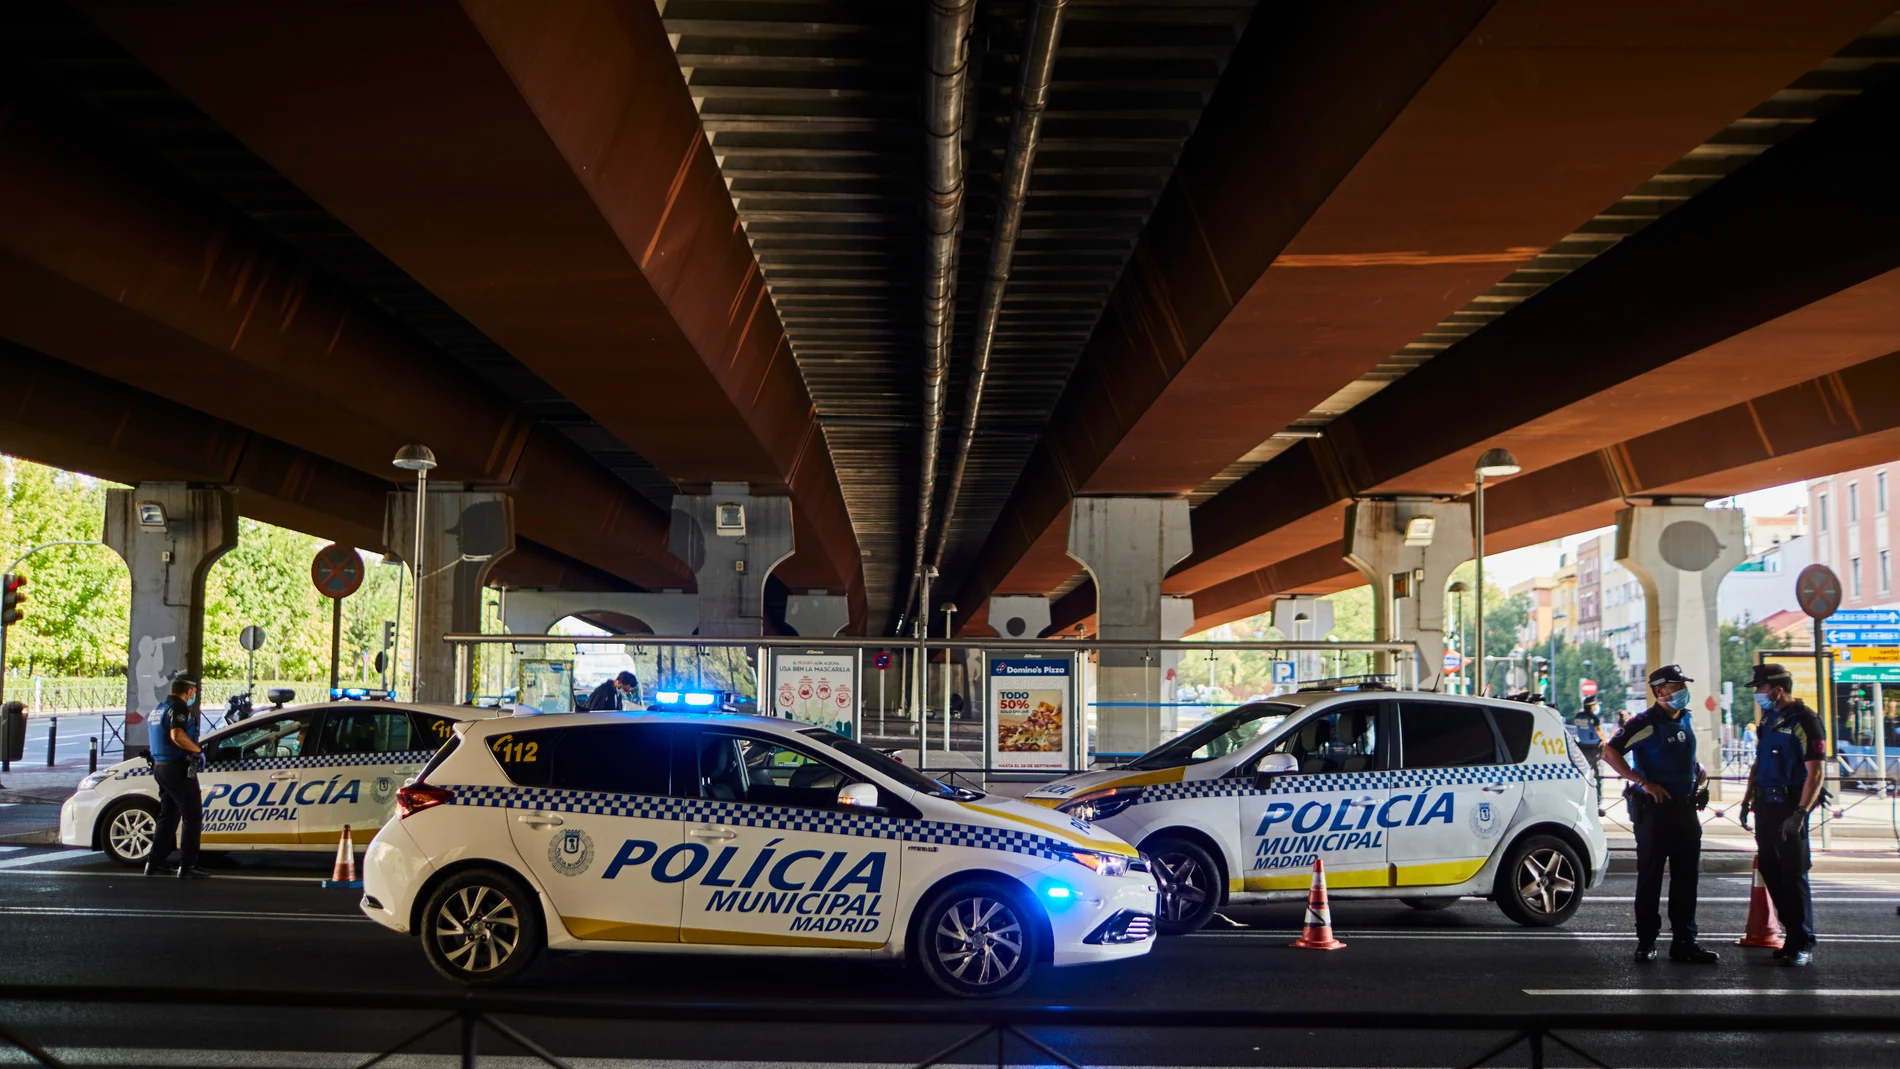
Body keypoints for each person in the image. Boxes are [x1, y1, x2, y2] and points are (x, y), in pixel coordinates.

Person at [1601, 664, 1718, 964]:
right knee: (1651, 877)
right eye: (1675, 686)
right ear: (1659, 691)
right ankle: (1647, 941)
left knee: (1686, 878)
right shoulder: (1645, 722)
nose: (1681, 690)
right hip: (1654, 813)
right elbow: (1610, 752)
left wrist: (1696, 771)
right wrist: (1641, 781)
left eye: (1682, 685)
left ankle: (1684, 941)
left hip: (1685, 809)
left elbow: (1682, 754)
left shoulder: (1686, 719)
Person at [1744, 663, 1825, 967]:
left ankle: (1802, 942)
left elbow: (1816, 773)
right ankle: (1791, 935)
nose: (1757, 693)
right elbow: (1759, 761)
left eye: (1760, 688)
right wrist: (1747, 798)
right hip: (1766, 805)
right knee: (1770, 869)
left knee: (1793, 874)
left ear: (1777, 689)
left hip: (1791, 806)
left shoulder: (1805, 720)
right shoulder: (1769, 719)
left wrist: (1801, 813)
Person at [146, 676, 207, 879]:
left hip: (161, 767)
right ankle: (188, 865)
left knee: (169, 815)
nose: (194, 696)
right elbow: (177, 735)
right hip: (177, 768)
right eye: (194, 692)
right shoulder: (179, 707)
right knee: (193, 816)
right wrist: (198, 750)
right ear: (188, 691)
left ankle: (155, 862)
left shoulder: (159, 708)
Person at [1574, 697, 1605, 801]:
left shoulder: (1578, 716)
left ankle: (1584, 797)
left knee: (1584, 774)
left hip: (1582, 748)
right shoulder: (1593, 717)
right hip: (1595, 748)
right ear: (1592, 706)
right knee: (1598, 774)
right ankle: (1598, 798)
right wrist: (1604, 740)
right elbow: (1598, 730)